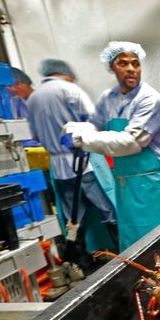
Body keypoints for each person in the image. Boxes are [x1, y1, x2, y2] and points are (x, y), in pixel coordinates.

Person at [63, 41, 160, 251]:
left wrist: (84, 140)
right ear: (112, 67)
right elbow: (95, 124)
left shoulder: (150, 99)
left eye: (135, 63)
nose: (131, 68)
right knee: (134, 243)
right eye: (123, 63)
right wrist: (77, 127)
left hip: (152, 185)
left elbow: (131, 143)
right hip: (126, 186)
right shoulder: (109, 98)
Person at [26, 60, 117, 249]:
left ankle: (80, 260)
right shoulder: (69, 89)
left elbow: (34, 135)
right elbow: (95, 122)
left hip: (58, 168)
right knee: (108, 207)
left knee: (74, 217)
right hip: (84, 162)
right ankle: (121, 249)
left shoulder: (33, 98)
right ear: (67, 75)